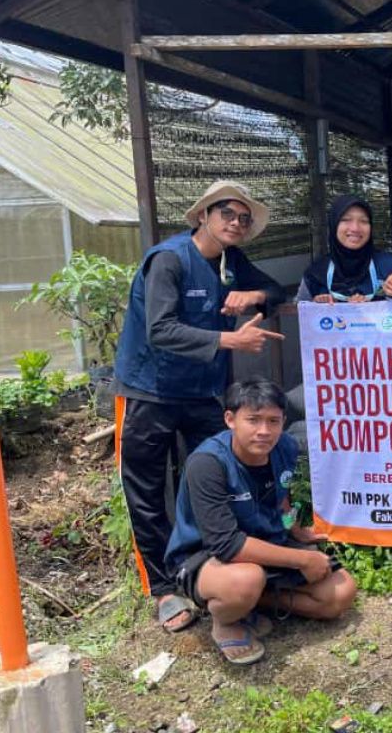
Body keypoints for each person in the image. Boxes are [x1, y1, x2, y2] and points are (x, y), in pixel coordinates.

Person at [114, 180, 286, 634]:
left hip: (202, 392)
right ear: (203, 216)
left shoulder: (231, 262)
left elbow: (276, 290)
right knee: (147, 489)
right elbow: (161, 330)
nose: (236, 222)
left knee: (215, 478)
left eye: (244, 219)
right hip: (150, 390)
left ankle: (208, 575)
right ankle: (163, 588)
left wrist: (255, 297)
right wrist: (232, 339)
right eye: (227, 213)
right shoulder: (169, 259)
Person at [165, 381, 357, 665]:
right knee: (245, 580)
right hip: (207, 556)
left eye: (273, 421)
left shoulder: (285, 448)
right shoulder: (207, 463)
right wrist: (302, 559)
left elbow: (282, 497)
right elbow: (227, 544)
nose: (264, 431)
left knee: (340, 594)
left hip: (266, 545)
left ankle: (253, 602)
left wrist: (294, 529)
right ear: (230, 419)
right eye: (253, 420)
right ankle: (226, 620)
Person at [297, 194, 392, 303]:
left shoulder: (391, 266)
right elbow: (301, 311)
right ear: (334, 224)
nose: (355, 228)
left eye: (363, 221)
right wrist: (317, 306)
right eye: (346, 220)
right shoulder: (315, 273)